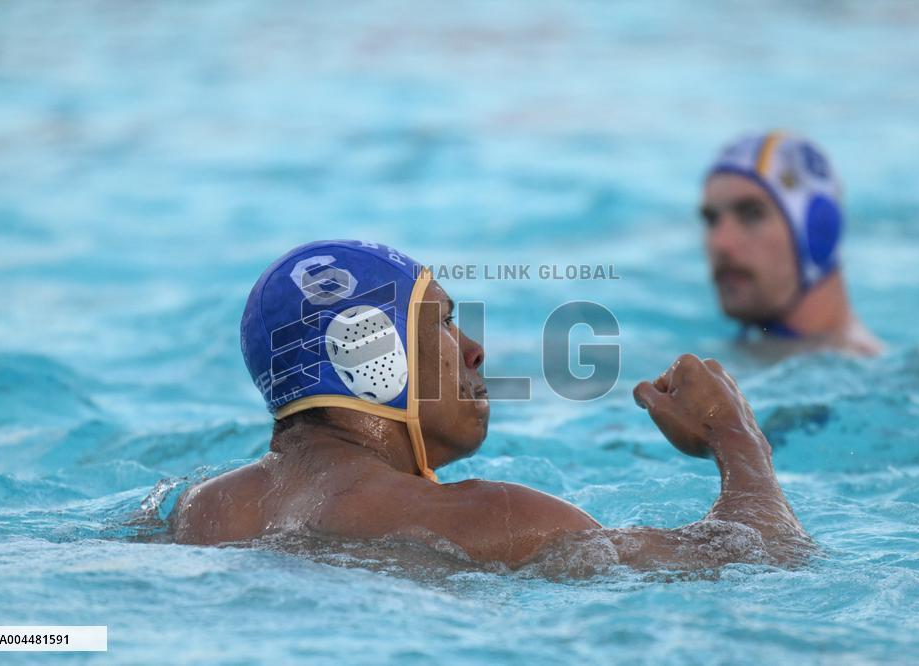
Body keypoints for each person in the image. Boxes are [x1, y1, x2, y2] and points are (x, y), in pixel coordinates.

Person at [172, 240, 811, 572]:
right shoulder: (491, 519)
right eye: (445, 324)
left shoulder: (201, 512)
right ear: (370, 356)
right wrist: (737, 436)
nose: (473, 350)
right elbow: (767, 557)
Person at [701, 131, 882, 355]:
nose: (721, 243)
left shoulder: (865, 373)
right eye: (711, 219)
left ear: (817, 229)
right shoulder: (747, 352)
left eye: (752, 214)